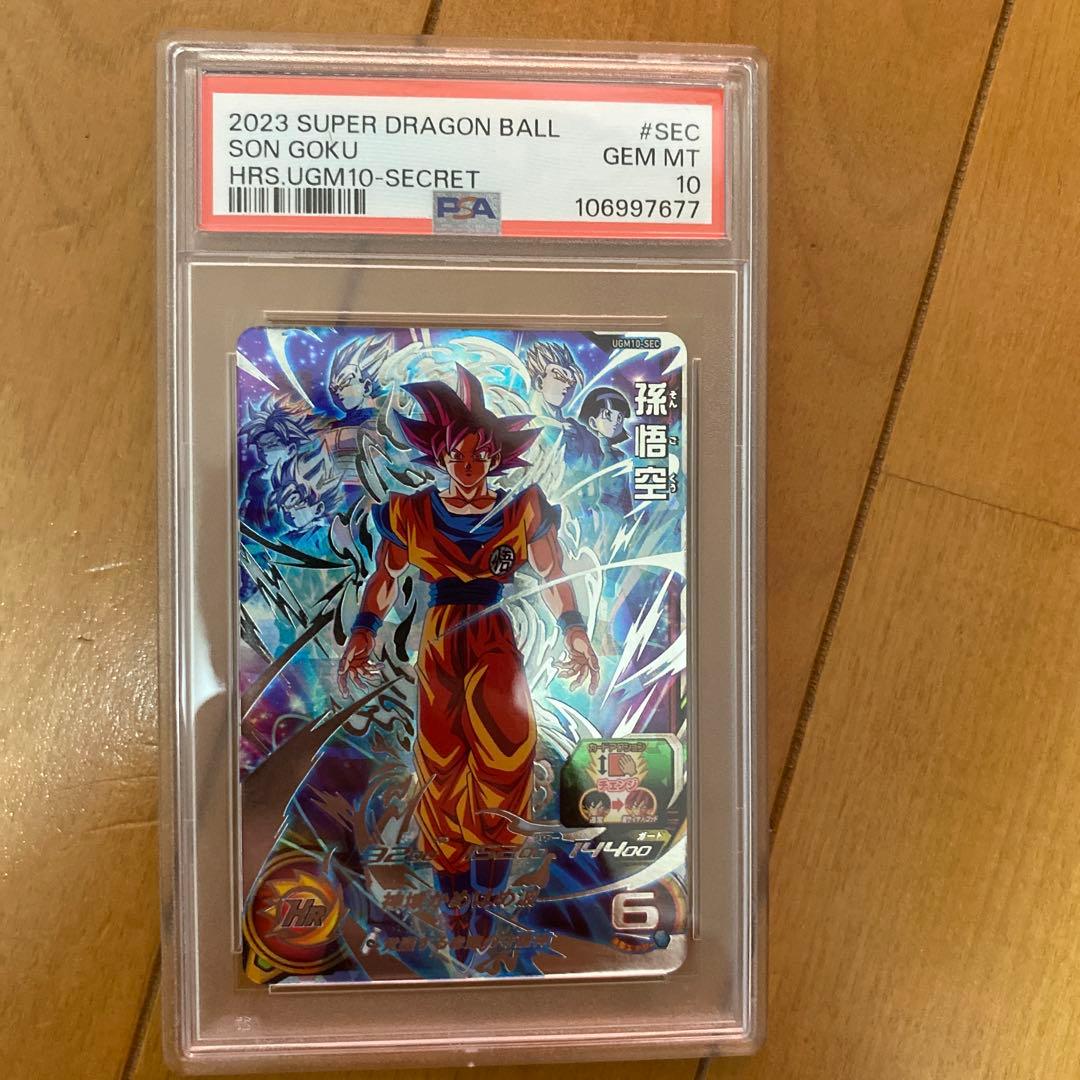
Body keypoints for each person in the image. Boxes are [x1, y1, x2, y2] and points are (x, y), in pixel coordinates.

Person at [337, 364, 600, 900]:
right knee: (441, 760)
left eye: (479, 454)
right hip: (440, 641)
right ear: (441, 456)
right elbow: (384, 577)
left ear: (495, 456)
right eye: (457, 454)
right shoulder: (411, 511)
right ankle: (455, 892)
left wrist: (574, 630)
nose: (468, 464)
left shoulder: (521, 509)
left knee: (508, 750)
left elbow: (553, 574)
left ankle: (492, 882)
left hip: (493, 638)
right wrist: (364, 631)